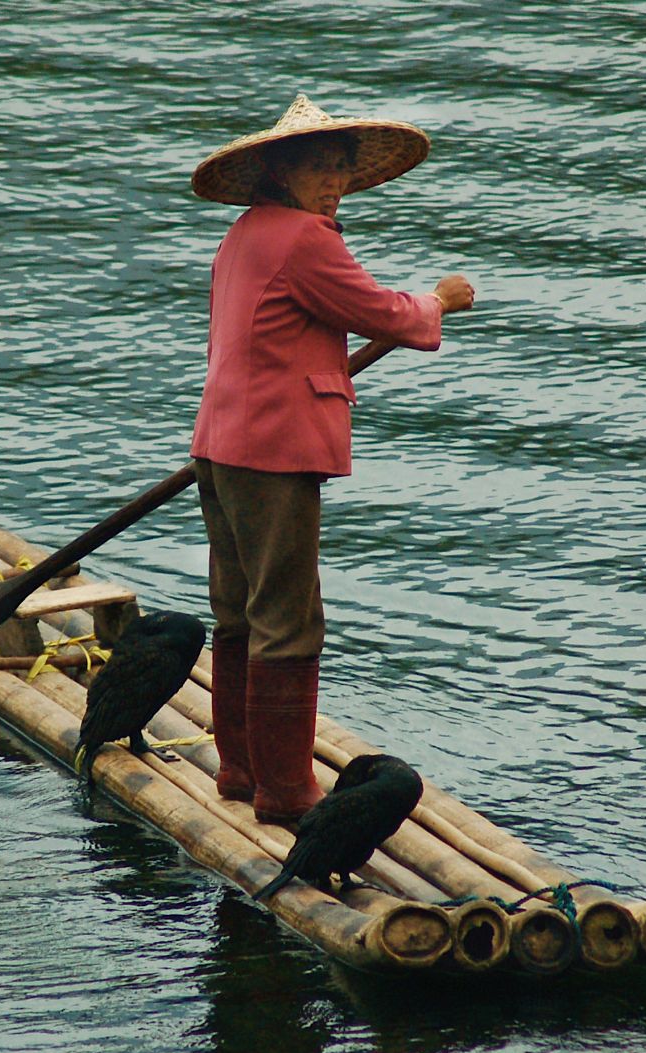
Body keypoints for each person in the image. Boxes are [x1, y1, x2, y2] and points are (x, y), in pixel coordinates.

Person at [188, 95, 474, 824]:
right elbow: (383, 313)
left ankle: (240, 767)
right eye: (318, 165)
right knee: (289, 617)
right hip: (273, 448)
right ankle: (285, 792)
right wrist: (437, 299)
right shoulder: (303, 240)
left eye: (341, 167)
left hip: (221, 444)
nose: (334, 180)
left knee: (239, 609)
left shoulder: (245, 233)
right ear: (280, 169)